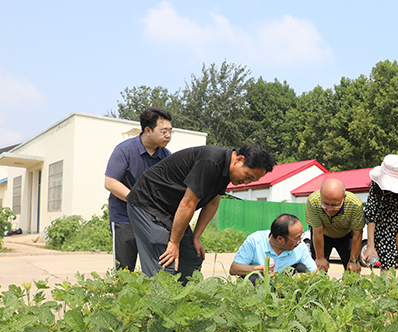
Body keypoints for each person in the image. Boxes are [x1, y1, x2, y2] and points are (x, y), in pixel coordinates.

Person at [126, 145, 274, 284]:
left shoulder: (226, 173)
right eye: (248, 176)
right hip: (148, 202)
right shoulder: (211, 160)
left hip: (171, 211)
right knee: (166, 259)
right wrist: (174, 242)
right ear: (239, 159)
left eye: (252, 180)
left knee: (192, 256)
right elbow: (188, 203)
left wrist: (196, 236)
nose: (247, 182)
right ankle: (160, 307)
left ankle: (186, 301)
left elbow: (212, 204)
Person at [104, 107, 173, 271]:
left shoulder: (166, 156)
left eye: (170, 131)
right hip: (124, 218)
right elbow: (111, 182)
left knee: (157, 268)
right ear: (148, 130)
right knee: (124, 270)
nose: (168, 135)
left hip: (153, 220)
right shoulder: (124, 150)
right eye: (163, 131)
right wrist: (138, 200)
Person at [229, 213, 317, 283]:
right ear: (280, 239)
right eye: (296, 238)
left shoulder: (300, 246)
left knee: (301, 268)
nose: (300, 241)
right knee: (251, 278)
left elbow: (316, 274)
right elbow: (234, 269)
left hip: (285, 287)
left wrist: (302, 277)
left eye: (301, 235)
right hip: (261, 288)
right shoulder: (255, 241)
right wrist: (259, 269)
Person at [305, 179, 365, 273]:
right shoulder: (313, 201)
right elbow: (317, 231)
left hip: (345, 235)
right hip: (322, 235)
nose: (329, 209)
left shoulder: (355, 205)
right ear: (320, 196)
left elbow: (357, 234)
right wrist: (320, 257)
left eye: (335, 205)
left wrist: (353, 260)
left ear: (344, 198)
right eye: (325, 204)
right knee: (318, 270)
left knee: (352, 270)